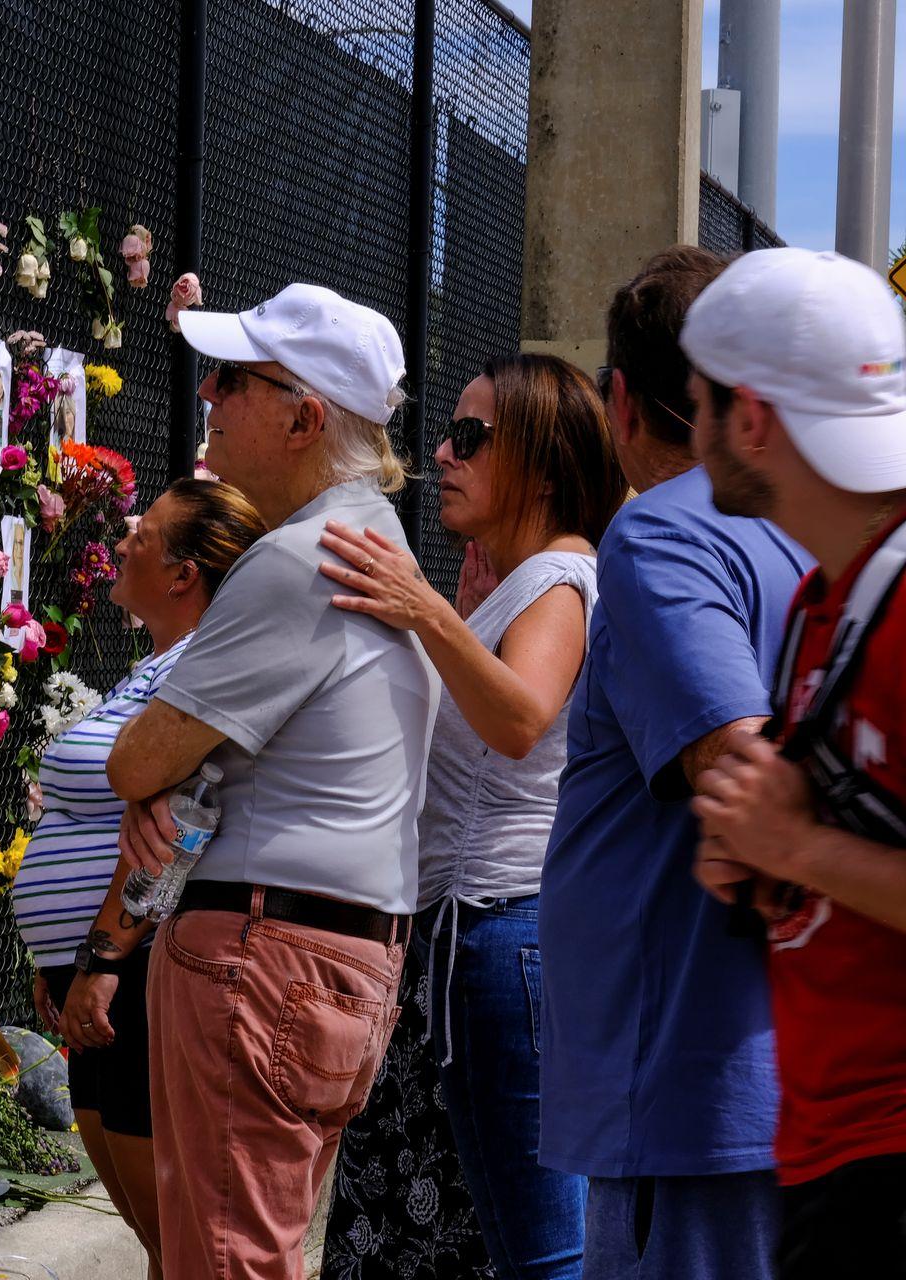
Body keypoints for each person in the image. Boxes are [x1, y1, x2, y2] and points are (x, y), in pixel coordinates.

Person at [66, 282, 440, 1280]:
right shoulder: (370, 545)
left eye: (232, 379)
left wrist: (156, 786)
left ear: (305, 416)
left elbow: (137, 758)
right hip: (331, 955)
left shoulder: (299, 558)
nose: (209, 397)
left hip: (262, 956)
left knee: (224, 1262)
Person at [319, 354, 626, 1278]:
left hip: (497, 937)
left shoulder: (564, 579)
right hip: (473, 943)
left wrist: (426, 616)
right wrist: (456, 620)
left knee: (535, 1253)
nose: (443, 455)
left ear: (538, 460)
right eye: (450, 432)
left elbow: (522, 720)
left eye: (472, 437)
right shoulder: (525, 584)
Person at [537, 245, 811, 1280]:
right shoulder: (820, 535)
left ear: (620, 400)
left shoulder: (665, 535)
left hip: (701, 1095)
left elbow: (738, 764)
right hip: (777, 1083)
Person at [679, 248, 906, 1278]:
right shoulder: (830, 597)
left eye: (698, 404)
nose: (691, 434)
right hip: (837, 1150)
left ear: (753, 418)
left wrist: (797, 844)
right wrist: (771, 862)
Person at [20, 478, 266, 1278]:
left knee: (184, 1244)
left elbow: (179, 833)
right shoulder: (153, 667)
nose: (124, 537)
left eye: (146, 532)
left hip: (130, 975)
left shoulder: (197, 671)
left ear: (184, 574)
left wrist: (102, 959)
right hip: (92, 975)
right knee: (161, 1242)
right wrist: (56, 959)